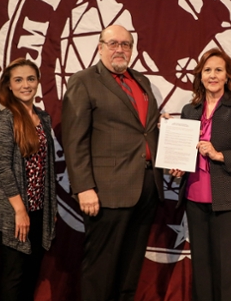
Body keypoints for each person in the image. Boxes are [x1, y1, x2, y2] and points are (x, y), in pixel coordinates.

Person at [60, 24, 164, 301]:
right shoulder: (83, 81)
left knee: (130, 269)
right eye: (113, 43)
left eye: (126, 44)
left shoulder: (141, 81)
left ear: (133, 49)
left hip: (146, 187)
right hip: (106, 191)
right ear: (100, 47)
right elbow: (74, 139)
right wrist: (83, 187)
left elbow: (146, 130)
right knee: (101, 269)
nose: (120, 49)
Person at [169, 48, 231, 301]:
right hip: (195, 198)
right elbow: (185, 153)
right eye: (207, 70)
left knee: (226, 269)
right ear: (200, 75)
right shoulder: (190, 110)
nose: (213, 75)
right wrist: (178, 166)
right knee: (202, 268)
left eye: (219, 70)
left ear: (228, 76)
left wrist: (220, 155)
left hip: (229, 200)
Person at [0, 58, 57, 300]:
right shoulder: (5, 119)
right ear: (8, 85)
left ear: (38, 82)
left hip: (39, 210)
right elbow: (2, 167)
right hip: (14, 211)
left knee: (31, 273)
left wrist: (48, 209)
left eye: (31, 79)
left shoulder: (43, 117)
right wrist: (19, 210)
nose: (25, 85)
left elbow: (45, 168)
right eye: (18, 80)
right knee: (14, 275)